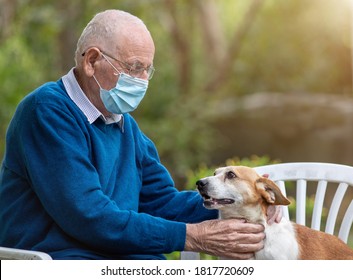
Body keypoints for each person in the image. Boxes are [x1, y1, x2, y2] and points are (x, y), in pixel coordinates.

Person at [0, 9, 279, 260]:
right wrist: (193, 236)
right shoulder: (47, 111)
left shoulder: (124, 125)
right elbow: (89, 217)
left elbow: (161, 202)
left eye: (148, 70)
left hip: (116, 256)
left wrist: (240, 198)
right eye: (134, 67)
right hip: (58, 259)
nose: (143, 80)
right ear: (92, 61)